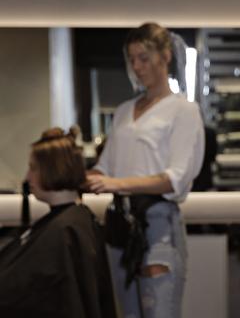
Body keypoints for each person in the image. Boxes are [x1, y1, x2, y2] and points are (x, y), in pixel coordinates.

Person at [86, 22, 204, 318]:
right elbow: (104, 169)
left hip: (158, 226)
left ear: (165, 56)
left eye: (144, 58)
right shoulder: (125, 110)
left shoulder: (184, 111)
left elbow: (174, 179)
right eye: (132, 59)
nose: (137, 66)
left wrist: (116, 184)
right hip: (120, 225)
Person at [0, 128, 116, 318]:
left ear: (53, 169)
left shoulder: (67, 229)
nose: (28, 177)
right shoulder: (70, 222)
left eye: (33, 168)